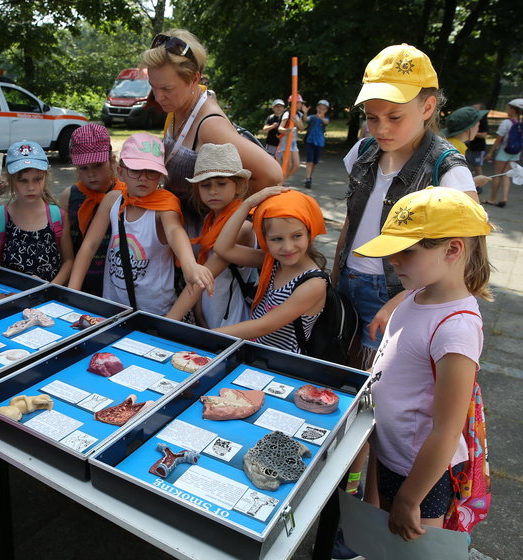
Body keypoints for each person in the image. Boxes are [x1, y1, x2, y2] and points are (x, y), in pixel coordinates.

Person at [352, 187, 492, 542]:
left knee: (411, 549)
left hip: (419, 473)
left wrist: (410, 498)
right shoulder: (418, 290)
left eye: (406, 252)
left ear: (453, 249)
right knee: (383, 539)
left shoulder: (457, 327)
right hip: (390, 449)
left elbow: (446, 430)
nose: (392, 261)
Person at [332, 43, 478, 370]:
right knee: (342, 364)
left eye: (394, 117)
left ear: (427, 107)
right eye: (372, 117)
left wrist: (403, 300)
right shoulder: (363, 151)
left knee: (376, 382)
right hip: (347, 281)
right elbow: (350, 220)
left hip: (398, 291)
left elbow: (467, 256)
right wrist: (335, 273)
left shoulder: (448, 169)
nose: (381, 128)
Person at [141, 29, 282, 233]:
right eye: (153, 87)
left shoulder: (209, 126)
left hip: (207, 246)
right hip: (181, 236)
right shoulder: (177, 108)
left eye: (167, 89)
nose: (158, 96)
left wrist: (229, 214)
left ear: (193, 79)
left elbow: (271, 174)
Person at [68, 132, 214, 315]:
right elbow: (89, 245)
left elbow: (175, 231)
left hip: (153, 313)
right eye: (136, 170)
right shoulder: (113, 200)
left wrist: (189, 264)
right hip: (113, 306)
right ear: (121, 172)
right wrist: (71, 292)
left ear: (161, 175)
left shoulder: (165, 207)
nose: (143, 177)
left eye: (151, 172)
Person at [166, 143, 285, 328]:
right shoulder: (211, 220)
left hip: (230, 320)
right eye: (205, 185)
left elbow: (202, 279)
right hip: (210, 312)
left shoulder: (241, 228)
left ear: (239, 185)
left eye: (221, 183)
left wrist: (166, 324)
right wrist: (198, 312)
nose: (213, 191)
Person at [213, 190, 328, 353]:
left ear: (310, 234)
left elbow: (263, 326)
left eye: (296, 236)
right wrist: (247, 205)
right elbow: (223, 248)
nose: (288, 247)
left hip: (280, 366)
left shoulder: (313, 283)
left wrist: (203, 335)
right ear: (264, 239)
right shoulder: (273, 261)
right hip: (254, 353)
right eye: (277, 239)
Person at [0, 140, 74, 283]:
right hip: (13, 295)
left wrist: (50, 288)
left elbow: (68, 260)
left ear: (46, 177)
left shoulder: (57, 216)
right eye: (23, 181)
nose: (31, 187)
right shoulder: (2, 217)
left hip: (48, 299)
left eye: (37, 179)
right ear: (11, 180)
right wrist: (19, 283)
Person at [58, 123, 125, 296]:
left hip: (117, 287)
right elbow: (66, 247)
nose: (91, 174)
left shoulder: (126, 194)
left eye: (97, 165)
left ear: (111, 160)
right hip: (79, 281)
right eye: (83, 168)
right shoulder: (69, 197)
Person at [483, 98, 523, 208]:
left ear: (513, 109)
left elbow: (498, 140)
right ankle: (504, 198)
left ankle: (492, 199)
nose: (507, 109)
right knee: (507, 175)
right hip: (515, 152)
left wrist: (490, 152)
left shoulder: (507, 122)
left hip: (504, 152)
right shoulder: (521, 123)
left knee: (497, 175)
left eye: (509, 107)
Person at [441, 106, 492, 191]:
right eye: (478, 125)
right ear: (469, 128)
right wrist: (473, 182)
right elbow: (454, 186)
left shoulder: (447, 143)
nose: (478, 129)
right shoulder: (456, 150)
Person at [275, 94, 307, 182]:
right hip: (286, 142)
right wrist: (288, 130)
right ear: (294, 103)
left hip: (293, 142)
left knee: (296, 165)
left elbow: (302, 128)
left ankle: (281, 181)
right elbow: (280, 128)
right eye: (300, 103)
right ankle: (280, 182)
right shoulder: (287, 114)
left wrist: (296, 121)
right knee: (288, 164)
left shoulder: (298, 114)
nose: (301, 105)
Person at [303, 99, 330, 189]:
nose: (321, 109)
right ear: (317, 108)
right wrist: (305, 112)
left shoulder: (326, 119)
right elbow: (305, 119)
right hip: (310, 141)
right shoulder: (312, 117)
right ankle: (307, 179)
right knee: (309, 162)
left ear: (326, 110)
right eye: (320, 107)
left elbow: (326, 122)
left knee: (315, 163)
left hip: (319, 143)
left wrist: (321, 117)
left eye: (323, 108)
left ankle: (310, 176)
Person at [465, 102, 489, 177]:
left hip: (478, 147)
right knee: (469, 165)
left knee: (477, 167)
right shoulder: (472, 120)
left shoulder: (483, 120)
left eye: (475, 108)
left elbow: (484, 135)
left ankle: (479, 187)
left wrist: (473, 133)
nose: (472, 109)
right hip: (470, 147)